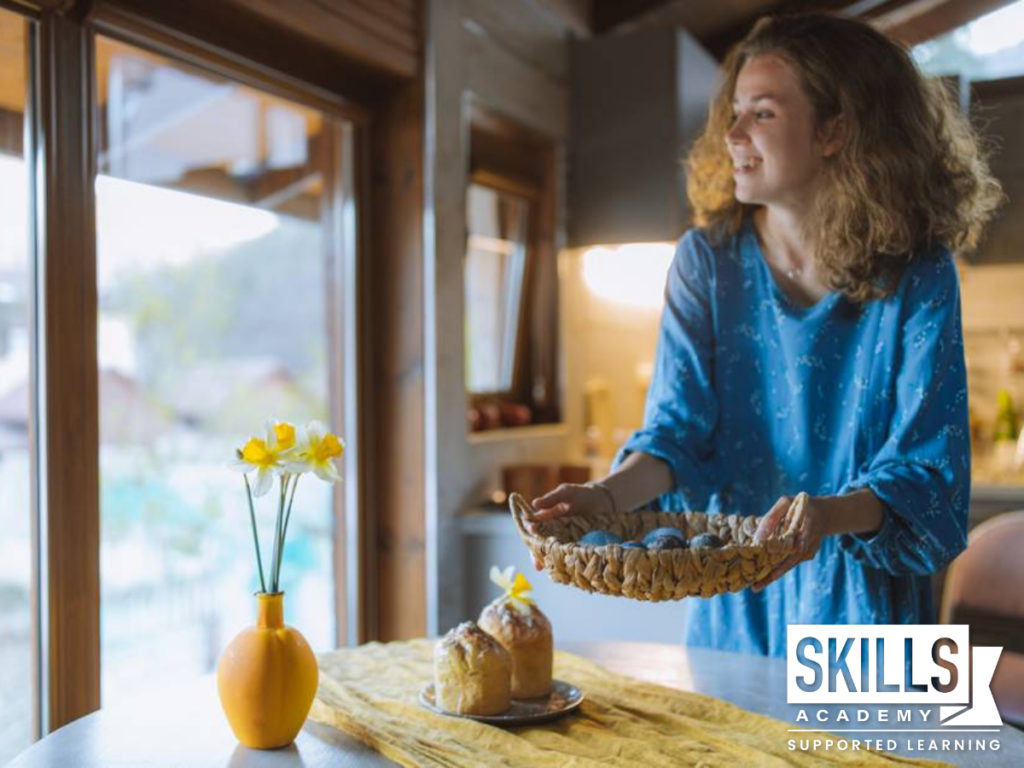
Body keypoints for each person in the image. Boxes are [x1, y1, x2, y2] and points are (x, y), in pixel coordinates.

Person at [526, 13, 1003, 657]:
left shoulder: (920, 271)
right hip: (736, 609)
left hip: (868, 618)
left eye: (763, 114)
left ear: (834, 130)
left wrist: (826, 517)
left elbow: (929, 475)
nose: (732, 133)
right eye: (735, 111)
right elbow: (676, 434)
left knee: (893, 759)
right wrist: (603, 495)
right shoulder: (705, 260)